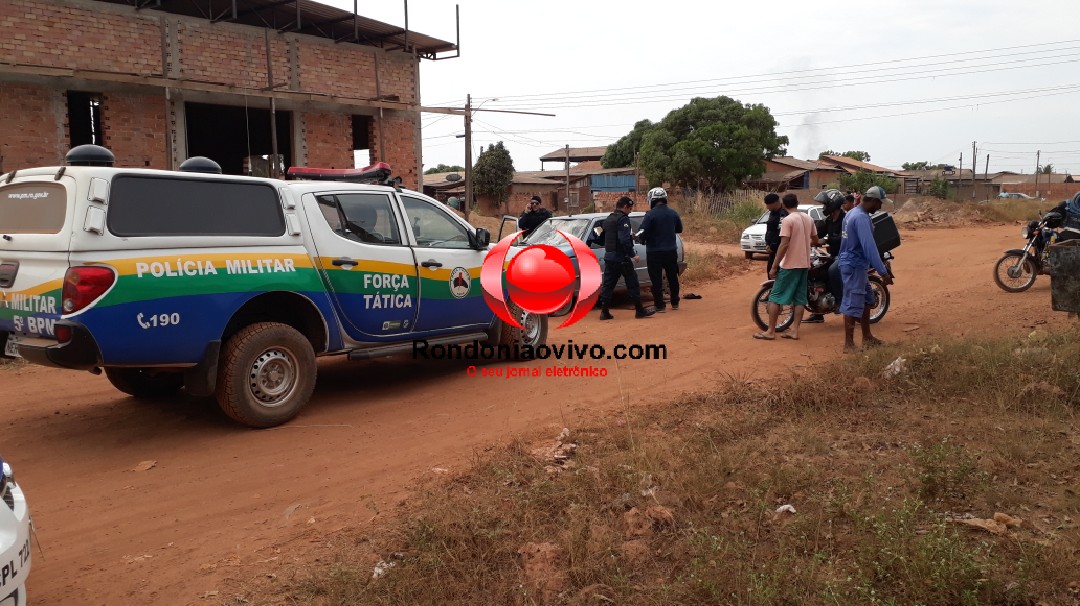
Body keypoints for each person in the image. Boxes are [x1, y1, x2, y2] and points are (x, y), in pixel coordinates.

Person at [754, 193, 818, 340]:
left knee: (775, 297)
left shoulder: (788, 220)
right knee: (799, 299)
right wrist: (805, 245)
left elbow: (784, 245)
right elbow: (815, 238)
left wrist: (775, 266)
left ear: (783, 204)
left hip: (790, 265)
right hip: (804, 264)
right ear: (798, 202)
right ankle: (794, 330)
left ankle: (770, 331)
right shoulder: (808, 218)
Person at [838, 186, 894, 353]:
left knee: (867, 299)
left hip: (854, 263)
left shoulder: (851, 213)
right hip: (854, 265)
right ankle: (849, 345)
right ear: (874, 201)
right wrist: (883, 272)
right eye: (879, 204)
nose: (880, 207)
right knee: (852, 302)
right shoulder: (861, 218)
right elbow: (869, 247)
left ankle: (867, 337)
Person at [597, 197, 655, 320]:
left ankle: (604, 311)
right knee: (633, 284)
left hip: (609, 257)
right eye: (630, 208)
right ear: (624, 207)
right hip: (621, 258)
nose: (630, 210)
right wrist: (633, 254)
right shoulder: (623, 219)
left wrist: (629, 236)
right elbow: (623, 240)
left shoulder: (609, 219)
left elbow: (602, 237)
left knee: (608, 285)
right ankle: (640, 310)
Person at [804, 189, 847, 324]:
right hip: (833, 254)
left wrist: (827, 241)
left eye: (825, 204)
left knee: (832, 270)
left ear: (833, 204)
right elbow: (817, 235)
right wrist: (806, 241)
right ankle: (818, 311)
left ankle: (840, 301)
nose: (823, 207)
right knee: (815, 271)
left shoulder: (845, 219)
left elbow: (844, 238)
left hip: (845, 254)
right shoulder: (829, 220)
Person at [639, 187, 683, 312]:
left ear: (651, 200)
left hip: (654, 252)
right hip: (671, 251)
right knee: (672, 277)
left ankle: (660, 305)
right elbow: (679, 229)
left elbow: (642, 233)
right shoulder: (673, 213)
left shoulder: (650, 215)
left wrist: (641, 239)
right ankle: (675, 302)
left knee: (656, 279)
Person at [763, 193, 788, 277]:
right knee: (770, 273)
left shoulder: (783, 214)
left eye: (768, 205)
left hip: (779, 250)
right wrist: (767, 244)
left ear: (775, 203)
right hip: (771, 249)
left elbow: (780, 233)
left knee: (776, 274)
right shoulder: (772, 213)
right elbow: (769, 230)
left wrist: (773, 247)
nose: (767, 207)